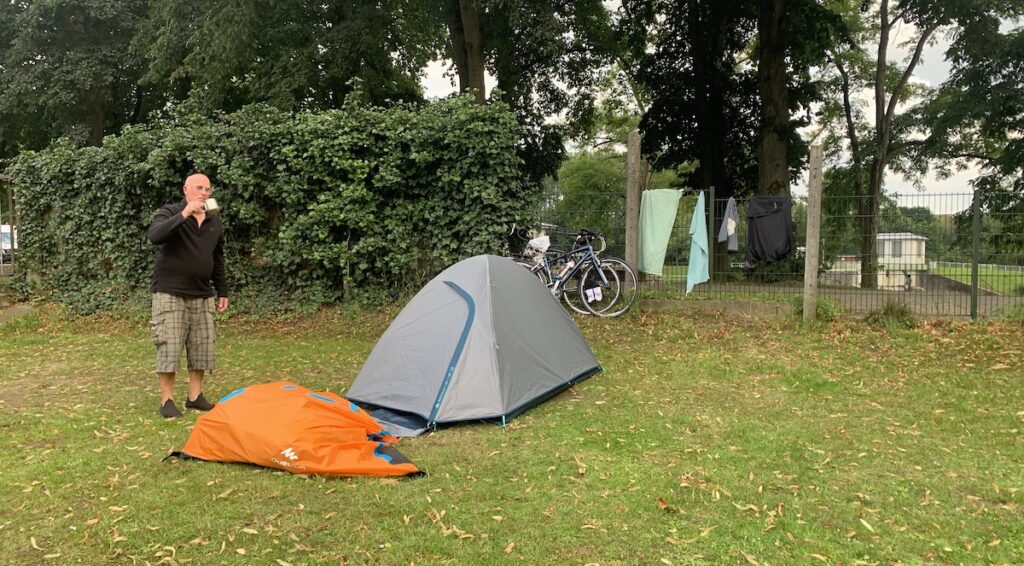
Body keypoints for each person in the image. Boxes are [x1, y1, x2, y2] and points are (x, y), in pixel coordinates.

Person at [147, 173, 229, 418]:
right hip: (170, 291)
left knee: (202, 346)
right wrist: (184, 215)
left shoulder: (214, 220)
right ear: (186, 189)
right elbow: (155, 236)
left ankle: (195, 396)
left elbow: (217, 258)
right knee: (169, 345)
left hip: (202, 293)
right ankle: (167, 401)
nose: (204, 192)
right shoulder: (170, 212)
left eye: (207, 189)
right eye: (198, 188)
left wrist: (222, 290)